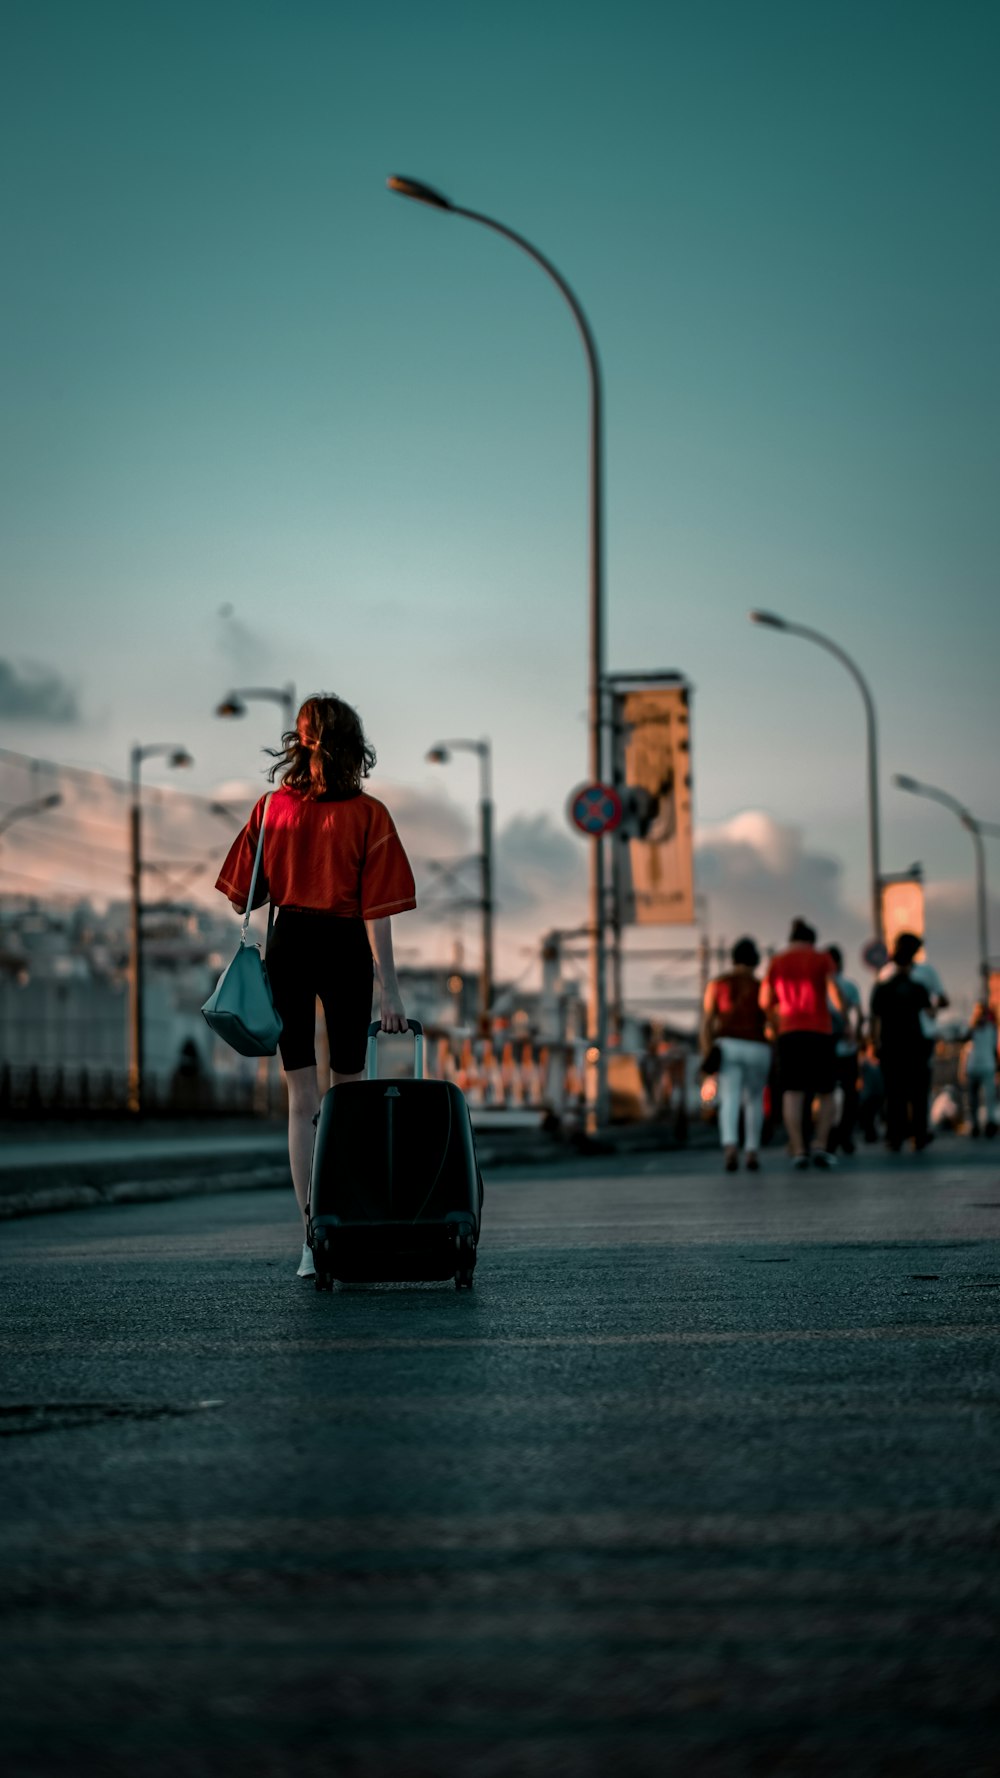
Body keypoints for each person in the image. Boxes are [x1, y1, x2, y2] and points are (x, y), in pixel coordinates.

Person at [215, 693, 416, 1277]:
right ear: (354, 745)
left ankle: (312, 1235)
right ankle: (346, 1220)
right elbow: (377, 910)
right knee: (346, 1092)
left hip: (291, 947)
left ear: (297, 744)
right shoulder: (370, 815)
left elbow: (242, 894)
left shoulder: (270, 808)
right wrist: (391, 990)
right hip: (347, 948)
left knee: (300, 1097)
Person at [760, 918, 843, 1170]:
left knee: (792, 1093)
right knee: (826, 1091)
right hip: (819, 1031)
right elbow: (835, 993)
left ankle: (798, 1149)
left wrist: (775, 1023)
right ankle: (819, 1143)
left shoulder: (777, 961)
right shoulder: (821, 958)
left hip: (789, 1031)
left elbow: (764, 1000)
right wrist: (846, 1018)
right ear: (812, 940)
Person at [701, 937, 772, 1172]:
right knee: (754, 1100)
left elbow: (706, 1023)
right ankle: (752, 1150)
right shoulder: (761, 986)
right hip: (758, 1046)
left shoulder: (717, 984)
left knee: (729, 1098)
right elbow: (771, 1019)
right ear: (755, 960)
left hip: (728, 1044)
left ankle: (730, 1147)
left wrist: (708, 1052)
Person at [869, 953, 932, 1151]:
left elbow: (875, 1017)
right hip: (915, 1046)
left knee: (894, 1094)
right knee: (918, 1094)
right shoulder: (918, 988)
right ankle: (919, 1134)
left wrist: (873, 1043)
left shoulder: (882, 988)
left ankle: (895, 1135)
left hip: (891, 1046)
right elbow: (929, 1013)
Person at [826, 944, 862, 1155]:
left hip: (826, 1046)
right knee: (850, 1093)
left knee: (826, 1092)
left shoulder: (819, 987)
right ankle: (845, 1135)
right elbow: (860, 1015)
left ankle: (828, 1135)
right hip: (848, 1047)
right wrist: (856, 1036)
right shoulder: (850, 986)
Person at [961, 1002, 999, 1137]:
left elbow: (995, 1048)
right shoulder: (972, 1029)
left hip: (988, 1067)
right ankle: (974, 1124)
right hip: (973, 1067)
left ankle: (990, 1123)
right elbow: (963, 1039)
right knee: (973, 1099)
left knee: (989, 1097)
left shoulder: (992, 1028)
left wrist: (997, 1067)